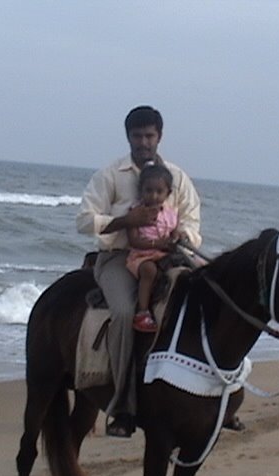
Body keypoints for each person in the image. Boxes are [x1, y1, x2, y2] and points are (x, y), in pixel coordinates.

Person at [75, 106, 201, 438]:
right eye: (137, 136)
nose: (143, 142)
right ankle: (121, 406)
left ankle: (221, 393)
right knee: (122, 312)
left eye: (149, 135)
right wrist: (125, 222)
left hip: (169, 255)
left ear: (159, 136)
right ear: (128, 136)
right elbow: (85, 220)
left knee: (210, 294)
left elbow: (191, 220)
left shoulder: (177, 176)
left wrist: (181, 236)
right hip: (119, 258)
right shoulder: (110, 175)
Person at [126, 162, 180, 333]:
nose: (154, 196)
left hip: (164, 254)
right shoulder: (135, 212)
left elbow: (174, 231)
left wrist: (178, 237)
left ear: (168, 193)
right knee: (149, 271)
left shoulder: (170, 214)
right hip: (142, 256)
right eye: (149, 191)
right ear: (141, 191)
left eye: (159, 192)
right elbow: (134, 241)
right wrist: (157, 244)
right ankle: (142, 313)